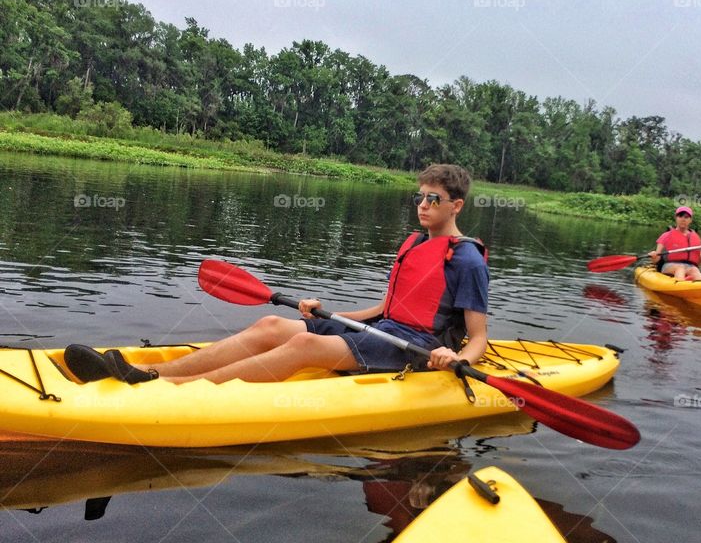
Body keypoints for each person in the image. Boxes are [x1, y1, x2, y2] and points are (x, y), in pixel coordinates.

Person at [64, 164, 490, 385]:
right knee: (272, 322)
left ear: (456, 206)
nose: (424, 204)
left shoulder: (467, 259)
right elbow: (385, 309)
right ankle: (159, 370)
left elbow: (480, 338)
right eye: (420, 197)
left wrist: (456, 358)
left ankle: (162, 386)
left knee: (303, 342)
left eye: (435, 198)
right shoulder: (413, 244)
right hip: (383, 331)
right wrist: (329, 314)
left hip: (413, 351)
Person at [647, 205, 701, 281]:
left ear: (690, 220)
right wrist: (654, 256)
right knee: (680, 269)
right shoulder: (666, 236)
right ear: (676, 218)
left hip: (690, 267)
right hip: (669, 266)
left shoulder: (696, 237)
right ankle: (681, 285)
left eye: (686, 217)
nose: (683, 219)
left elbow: (699, 263)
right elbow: (656, 261)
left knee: (695, 270)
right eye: (680, 216)